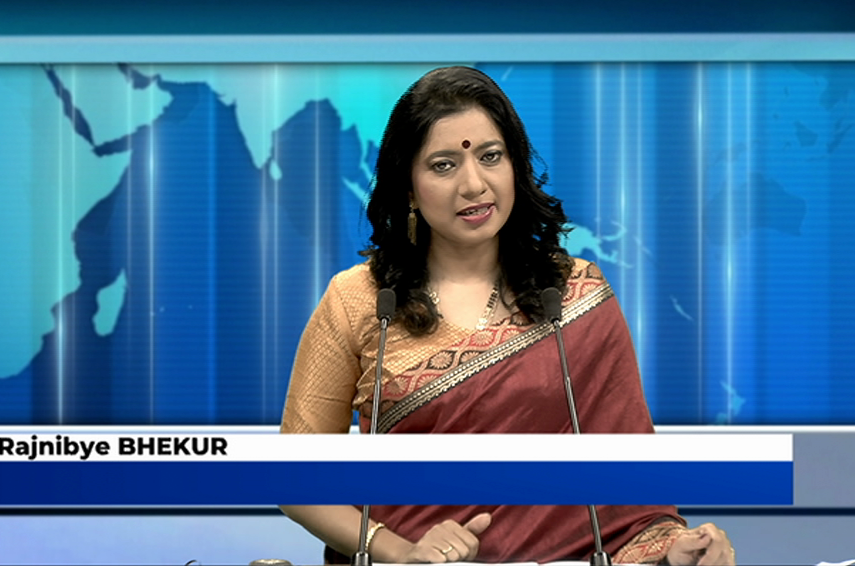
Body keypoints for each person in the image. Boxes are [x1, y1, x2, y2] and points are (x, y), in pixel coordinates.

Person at [279, 66, 736, 565]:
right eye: (443, 165)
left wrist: (674, 553)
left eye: (490, 157)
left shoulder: (574, 295)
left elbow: (633, 489)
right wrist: (401, 552)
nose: (474, 184)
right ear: (408, 186)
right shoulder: (360, 300)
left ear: (515, 165)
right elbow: (296, 479)